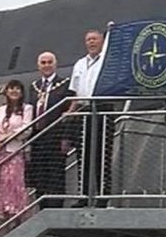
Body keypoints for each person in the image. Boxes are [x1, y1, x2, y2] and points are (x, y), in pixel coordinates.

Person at [68, 28, 110, 198]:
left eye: (94, 39)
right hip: (84, 111)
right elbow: (75, 93)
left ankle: (102, 195)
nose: (91, 42)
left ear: (102, 41)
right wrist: (71, 112)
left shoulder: (107, 61)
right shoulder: (79, 64)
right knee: (83, 155)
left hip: (102, 109)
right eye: (88, 40)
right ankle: (84, 195)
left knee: (102, 154)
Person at [0, 81, 33, 223]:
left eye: (17, 88)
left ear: (22, 92)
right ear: (6, 91)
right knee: (0, 189)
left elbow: (26, 129)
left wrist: (6, 137)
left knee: (13, 187)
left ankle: (15, 219)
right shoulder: (0, 110)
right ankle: (3, 223)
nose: (14, 91)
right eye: (11, 88)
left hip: (14, 152)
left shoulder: (27, 109)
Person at [28, 52, 72, 207]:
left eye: (49, 62)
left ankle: (56, 208)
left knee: (55, 175)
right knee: (40, 176)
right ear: (39, 66)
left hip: (55, 136)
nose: (46, 65)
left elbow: (68, 114)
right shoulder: (34, 87)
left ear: (55, 64)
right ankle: (42, 207)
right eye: (43, 62)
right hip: (38, 138)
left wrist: (66, 138)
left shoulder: (65, 84)